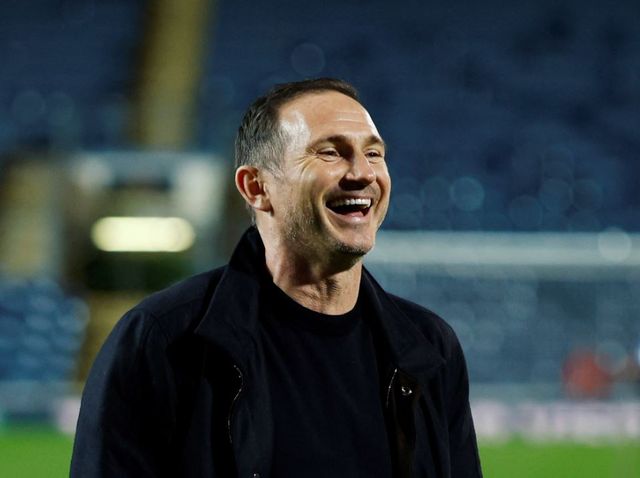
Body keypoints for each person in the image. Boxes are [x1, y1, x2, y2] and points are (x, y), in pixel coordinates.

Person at [71, 78, 483, 477]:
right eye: (330, 152)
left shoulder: (429, 347)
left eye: (373, 154)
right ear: (256, 187)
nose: (363, 173)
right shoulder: (161, 340)